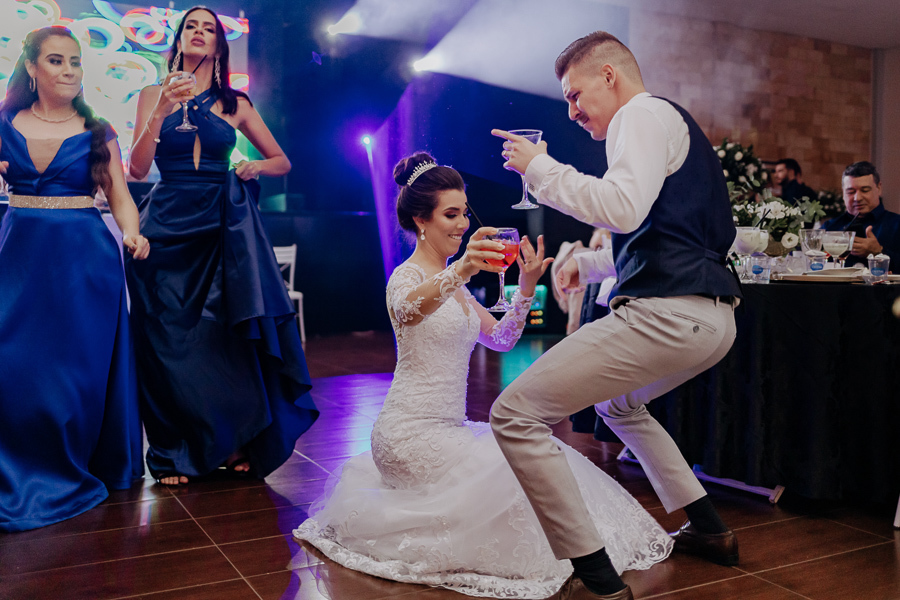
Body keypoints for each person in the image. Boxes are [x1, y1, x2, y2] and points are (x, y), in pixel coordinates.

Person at [293, 153, 672, 599]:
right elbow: (408, 308)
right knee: (515, 472)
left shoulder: (457, 286)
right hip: (408, 435)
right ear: (420, 219)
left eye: (463, 213)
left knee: (539, 457)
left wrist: (527, 287)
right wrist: (465, 268)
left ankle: (585, 552)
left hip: (451, 430)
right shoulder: (408, 276)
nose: (461, 224)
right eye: (450, 214)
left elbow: (502, 339)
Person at [492, 31, 742, 600]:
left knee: (513, 413)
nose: (573, 111)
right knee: (619, 404)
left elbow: (623, 209)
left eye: (575, 95)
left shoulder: (641, 114)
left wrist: (540, 169)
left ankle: (599, 581)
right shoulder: (663, 124)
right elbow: (663, 232)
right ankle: (710, 530)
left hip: (668, 315)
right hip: (713, 319)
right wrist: (594, 266)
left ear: (610, 76)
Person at [125, 6, 318, 486]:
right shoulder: (152, 94)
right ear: (179, 38)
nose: (198, 32)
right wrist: (162, 111)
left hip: (220, 228)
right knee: (164, 341)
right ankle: (173, 451)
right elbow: (136, 168)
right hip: (165, 227)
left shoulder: (236, 103)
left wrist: (253, 167)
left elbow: (282, 161)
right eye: (191, 25)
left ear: (218, 44)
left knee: (222, 343)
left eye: (208, 27)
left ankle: (233, 444)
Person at [0, 27, 150, 532]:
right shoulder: (4, 122)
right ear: (32, 68)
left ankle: (68, 469)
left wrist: (133, 234)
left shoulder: (98, 129)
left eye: (75, 62)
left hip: (84, 264)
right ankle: (16, 470)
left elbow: (121, 195)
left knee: (71, 377)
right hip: (17, 258)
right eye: (57, 61)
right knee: (13, 368)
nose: (68, 70)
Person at [823, 161, 900, 268]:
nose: (857, 198)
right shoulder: (829, 228)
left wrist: (879, 253)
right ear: (843, 193)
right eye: (850, 192)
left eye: (865, 190)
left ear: (879, 188)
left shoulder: (897, 225)